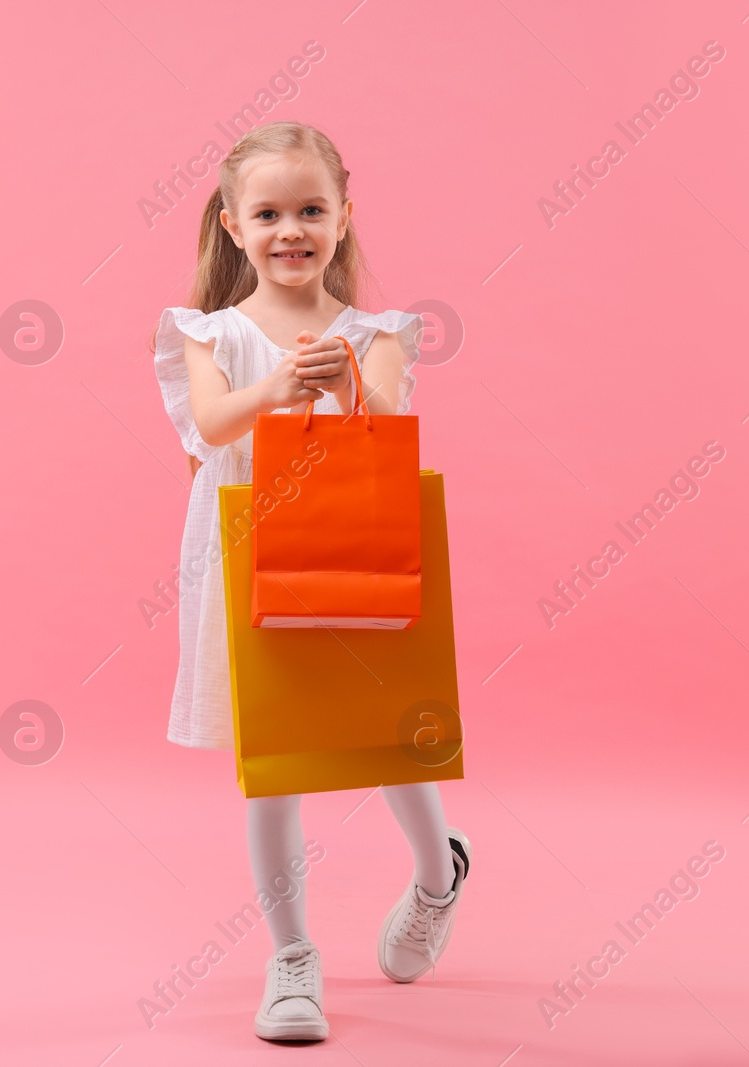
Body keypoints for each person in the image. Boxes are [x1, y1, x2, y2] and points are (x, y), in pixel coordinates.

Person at [150, 120, 471, 1043]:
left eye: (311, 210)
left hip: (354, 548)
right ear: (231, 225)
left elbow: (393, 413)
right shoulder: (206, 333)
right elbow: (212, 426)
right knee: (275, 762)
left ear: (343, 219)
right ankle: (292, 956)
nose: (291, 229)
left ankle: (437, 875)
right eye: (269, 213)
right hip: (250, 556)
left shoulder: (374, 331)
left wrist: (342, 390)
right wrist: (280, 389)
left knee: (388, 731)